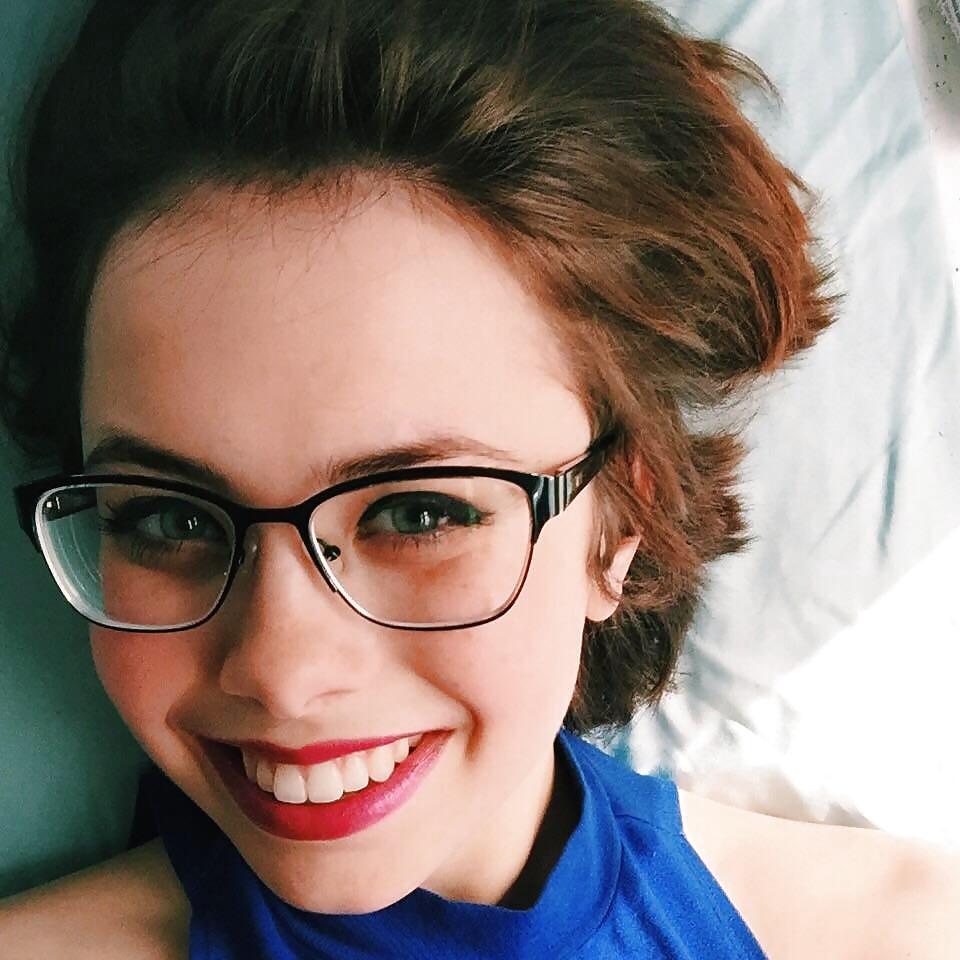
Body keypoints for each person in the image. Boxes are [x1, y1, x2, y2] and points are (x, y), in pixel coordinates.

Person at [0, 0, 957, 956]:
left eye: (419, 513)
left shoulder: (902, 932)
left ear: (623, 517)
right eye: (169, 520)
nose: (282, 675)